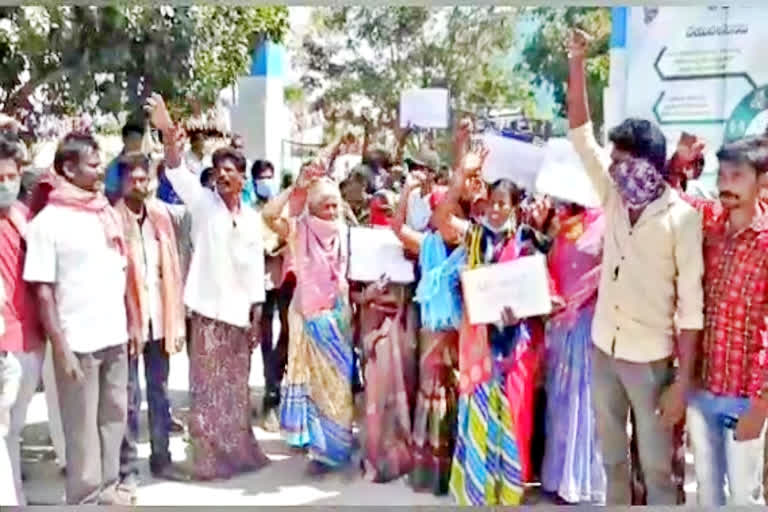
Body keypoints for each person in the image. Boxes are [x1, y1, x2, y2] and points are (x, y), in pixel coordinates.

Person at [567, 29, 704, 505]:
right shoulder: (612, 198)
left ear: (650, 166)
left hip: (650, 361)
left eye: (625, 164)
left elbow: (691, 310)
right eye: (615, 164)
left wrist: (681, 382)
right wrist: (577, 61)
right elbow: (580, 135)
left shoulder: (682, 219)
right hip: (604, 345)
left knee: (658, 468)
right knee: (612, 462)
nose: (617, 172)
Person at [147, 94, 269, 480]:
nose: (224, 176)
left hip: (240, 317)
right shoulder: (202, 205)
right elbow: (176, 170)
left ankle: (237, 454)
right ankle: (208, 460)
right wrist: (169, 133)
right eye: (219, 171)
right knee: (206, 389)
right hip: (208, 314)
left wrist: (258, 310)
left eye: (232, 170)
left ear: (243, 177)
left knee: (235, 390)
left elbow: (255, 269)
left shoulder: (251, 218)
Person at [24, 132, 130, 505]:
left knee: (113, 421)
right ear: (68, 169)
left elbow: (120, 272)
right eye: (92, 163)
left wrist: (130, 325)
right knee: (81, 433)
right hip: (77, 343)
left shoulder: (105, 213)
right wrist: (62, 348)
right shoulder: (47, 223)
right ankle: (84, 499)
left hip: (114, 337)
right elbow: (43, 293)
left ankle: (110, 488)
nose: (100, 169)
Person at [678, 137, 768, 505]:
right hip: (703, 390)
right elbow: (667, 202)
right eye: (722, 175)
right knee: (707, 495)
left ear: (762, 181)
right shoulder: (710, 227)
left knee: (744, 499)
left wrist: (761, 405)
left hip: (745, 397)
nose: (726, 184)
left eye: (737, 175)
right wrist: (678, 164)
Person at [263, 168, 355, 473]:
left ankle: (338, 445)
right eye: (324, 206)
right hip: (308, 315)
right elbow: (268, 215)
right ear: (312, 207)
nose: (331, 212)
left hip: (338, 317)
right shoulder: (299, 229)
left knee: (339, 385)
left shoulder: (345, 232)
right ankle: (319, 451)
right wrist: (294, 189)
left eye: (334, 205)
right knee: (315, 386)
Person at [113, 153, 188, 500]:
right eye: (134, 180)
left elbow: (171, 268)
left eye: (145, 180)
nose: (140, 186)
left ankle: (162, 458)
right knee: (129, 398)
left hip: (159, 317)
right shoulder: (111, 219)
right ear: (122, 182)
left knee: (159, 392)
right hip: (127, 322)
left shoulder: (159, 217)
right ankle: (126, 470)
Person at [540, 200, 607, 504]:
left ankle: (578, 481)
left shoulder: (604, 223)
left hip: (587, 322)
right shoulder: (562, 226)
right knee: (559, 400)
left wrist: (579, 298)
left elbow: (609, 269)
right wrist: (553, 296)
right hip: (560, 325)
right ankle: (556, 477)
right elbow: (550, 268)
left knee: (583, 400)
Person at [0, 130, 46, 505]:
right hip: (4, 343)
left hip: (30, 338)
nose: (6, 184)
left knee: (12, 432)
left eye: (11, 177)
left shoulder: (22, 217)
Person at [251, 159, 289, 430]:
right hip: (259, 283)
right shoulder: (249, 211)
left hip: (284, 280)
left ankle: (276, 384)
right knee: (264, 339)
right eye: (262, 177)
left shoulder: (282, 211)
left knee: (287, 335)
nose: (267, 181)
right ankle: (270, 393)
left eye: (270, 176)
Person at [104, 121, 146, 204]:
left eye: (139, 140)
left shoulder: (148, 163)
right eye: (133, 139)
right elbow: (110, 196)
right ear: (124, 139)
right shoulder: (114, 166)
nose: (136, 144)